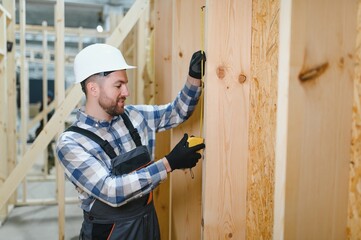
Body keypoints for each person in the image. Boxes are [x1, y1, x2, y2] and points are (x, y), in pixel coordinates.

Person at [56, 43, 206, 239]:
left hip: (147, 221)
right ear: (93, 89)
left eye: (125, 84)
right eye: (118, 85)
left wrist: (193, 78)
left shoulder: (133, 116)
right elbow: (112, 191)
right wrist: (169, 163)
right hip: (109, 232)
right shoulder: (72, 142)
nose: (126, 92)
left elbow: (176, 112)